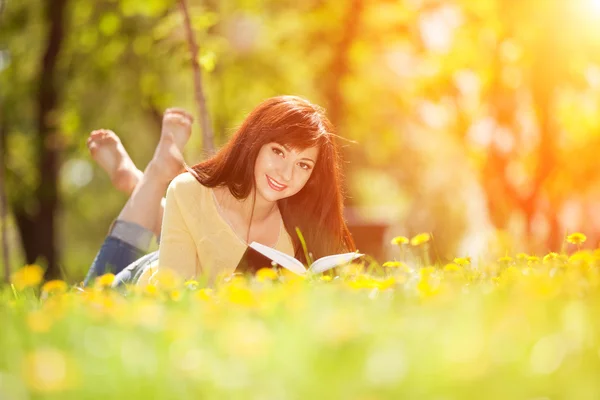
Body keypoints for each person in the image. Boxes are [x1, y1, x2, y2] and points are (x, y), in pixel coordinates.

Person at [83, 95, 355, 287]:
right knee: (86, 304)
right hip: (143, 286)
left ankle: (136, 183)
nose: (286, 174)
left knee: (188, 215)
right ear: (254, 142)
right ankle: (153, 177)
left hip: (194, 243)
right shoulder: (189, 191)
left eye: (303, 165)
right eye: (278, 152)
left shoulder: (297, 234)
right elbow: (172, 297)